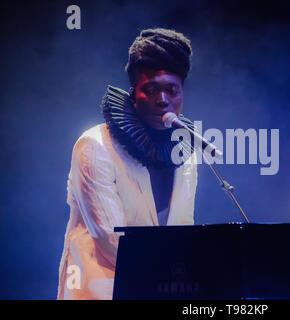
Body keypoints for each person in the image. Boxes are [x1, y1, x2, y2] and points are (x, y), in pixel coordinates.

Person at [57, 28, 198, 300]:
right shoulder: (95, 145)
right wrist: (178, 273)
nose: (162, 99)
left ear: (182, 94)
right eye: (151, 89)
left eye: (172, 89)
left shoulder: (187, 153)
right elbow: (113, 242)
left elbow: (184, 229)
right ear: (134, 94)